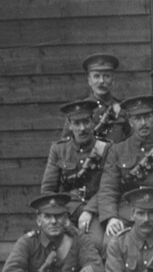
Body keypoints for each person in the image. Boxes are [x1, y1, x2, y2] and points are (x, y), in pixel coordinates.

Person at [97, 95, 153, 247]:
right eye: (138, 118)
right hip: (127, 213)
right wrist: (111, 218)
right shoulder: (117, 150)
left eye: (147, 117)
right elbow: (108, 188)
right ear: (130, 121)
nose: (144, 123)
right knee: (109, 244)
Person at [40, 99, 112, 253]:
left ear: (92, 122)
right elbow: (48, 190)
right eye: (77, 123)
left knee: (93, 243)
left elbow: (108, 186)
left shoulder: (106, 149)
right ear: (69, 125)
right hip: (65, 209)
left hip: (94, 209)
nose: (82, 128)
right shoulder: (58, 150)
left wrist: (89, 211)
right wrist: (61, 216)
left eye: (86, 122)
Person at [60, 53, 130, 143]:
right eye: (96, 76)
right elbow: (65, 147)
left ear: (113, 80)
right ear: (89, 80)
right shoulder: (77, 111)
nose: (101, 81)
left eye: (106, 76)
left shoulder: (123, 109)